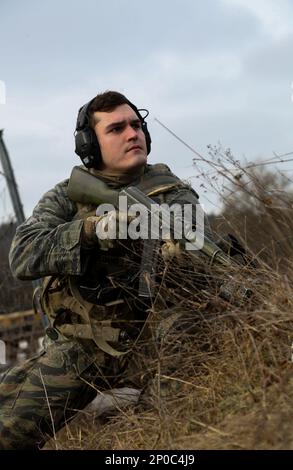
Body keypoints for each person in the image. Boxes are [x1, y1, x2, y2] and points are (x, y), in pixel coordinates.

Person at [0, 91, 213, 449]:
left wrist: (166, 247)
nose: (133, 134)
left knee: (171, 424)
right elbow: (23, 255)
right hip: (82, 346)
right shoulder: (68, 195)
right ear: (91, 146)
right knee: (9, 430)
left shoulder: (172, 192)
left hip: (155, 340)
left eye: (136, 125)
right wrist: (90, 231)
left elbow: (196, 253)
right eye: (117, 129)